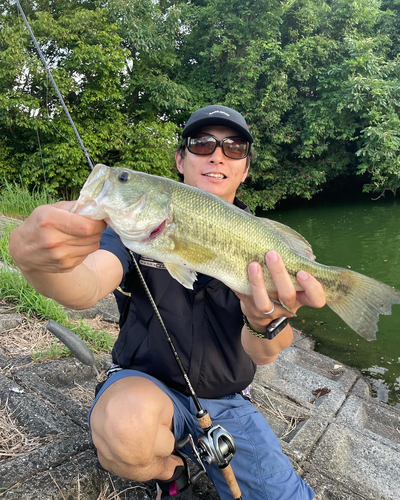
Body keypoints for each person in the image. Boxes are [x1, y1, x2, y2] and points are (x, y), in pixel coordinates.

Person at [9, 105, 326, 500]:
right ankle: (171, 470)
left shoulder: (260, 241)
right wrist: (36, 264)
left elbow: (266, 353)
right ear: (180, 159)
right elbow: (85, 284)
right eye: (202, 143)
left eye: (234, 148)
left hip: (227, 399)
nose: (216, 154)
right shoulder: (131, 232)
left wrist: (264, 319)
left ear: (245, 170)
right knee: (123, 429)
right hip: (144, 384)